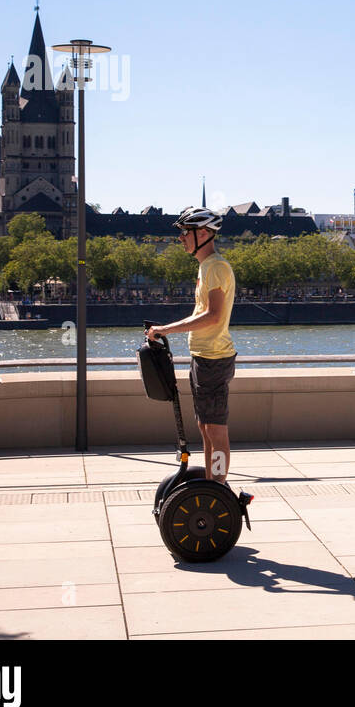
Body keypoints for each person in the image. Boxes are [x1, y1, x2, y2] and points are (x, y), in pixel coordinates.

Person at [146, 207, 243, 496]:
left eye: (185, 232)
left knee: (215, 429)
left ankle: (219, 490)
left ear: (203, 233)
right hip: (204, 357)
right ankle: (213, 484)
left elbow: (213, 316)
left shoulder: (215, 267)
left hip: (214, 358)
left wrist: (166, 329)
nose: (180, 238)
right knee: (205, 427)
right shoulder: (206, 267)